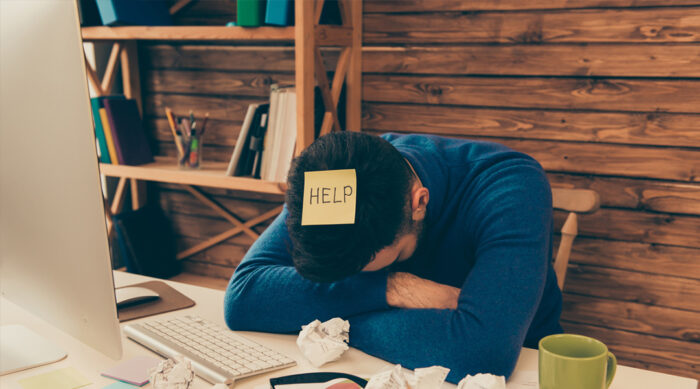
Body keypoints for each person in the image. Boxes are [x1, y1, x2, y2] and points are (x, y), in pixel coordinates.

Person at [224, 132, 562, 383]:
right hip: (374, 366)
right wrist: (390, 287)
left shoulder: (511, 186)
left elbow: (481, 352)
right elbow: (243, 297)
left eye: (366, 267)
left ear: (418, 204)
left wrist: (331, 326)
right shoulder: (338, 173)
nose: (353, 277)